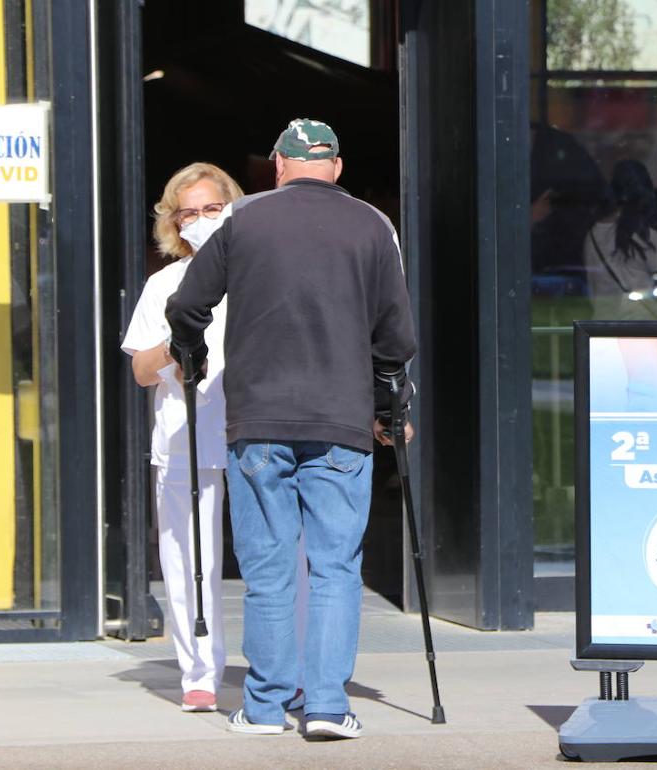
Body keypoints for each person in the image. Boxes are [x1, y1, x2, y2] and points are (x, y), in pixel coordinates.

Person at [166, 119, 417, 740]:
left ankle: (264, 706)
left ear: (278, 165)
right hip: (341, 420)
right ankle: (328, 706)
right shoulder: (371, 226)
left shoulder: (243, 221)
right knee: (334, 568)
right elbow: (395, 336)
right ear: (336, 165)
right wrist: (392, 410)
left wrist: (190, 355)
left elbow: (187, 303)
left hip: (259, 420)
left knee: (269, 569)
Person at [120, 162, 243, 713]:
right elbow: (143, 370)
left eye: (211, 209)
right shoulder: (164, 283)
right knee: (188, 557)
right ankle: (199, 671)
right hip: (184, 435)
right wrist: (178, 339)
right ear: (172, 222)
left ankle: (287, 667)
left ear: (233, 209)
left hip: (257, 431)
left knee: (286, 557)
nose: (199, 220)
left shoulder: (261, 271)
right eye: (187, 212)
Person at [581, 159, 657, 320]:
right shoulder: (648, 236)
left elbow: (592, 286)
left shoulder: (592, 235)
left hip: (602, 327)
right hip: (642, 324)